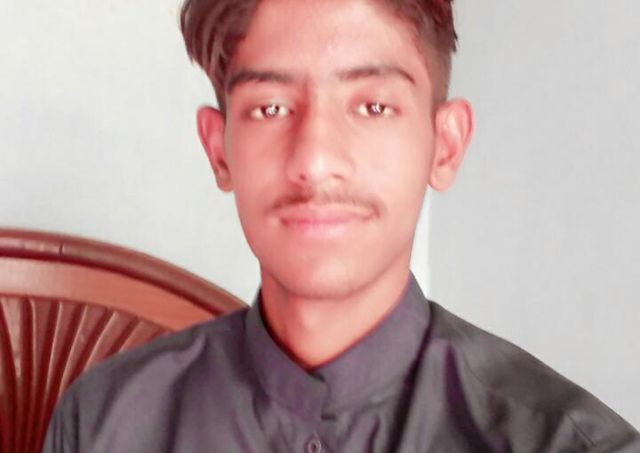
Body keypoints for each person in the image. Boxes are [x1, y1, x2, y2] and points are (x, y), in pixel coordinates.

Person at [43, 0, 639, 451]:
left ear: (446, 145)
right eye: (270, 108)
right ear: (219, 150)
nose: (315, 159)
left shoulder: (568, 443)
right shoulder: (102, 423)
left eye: (372, 107)